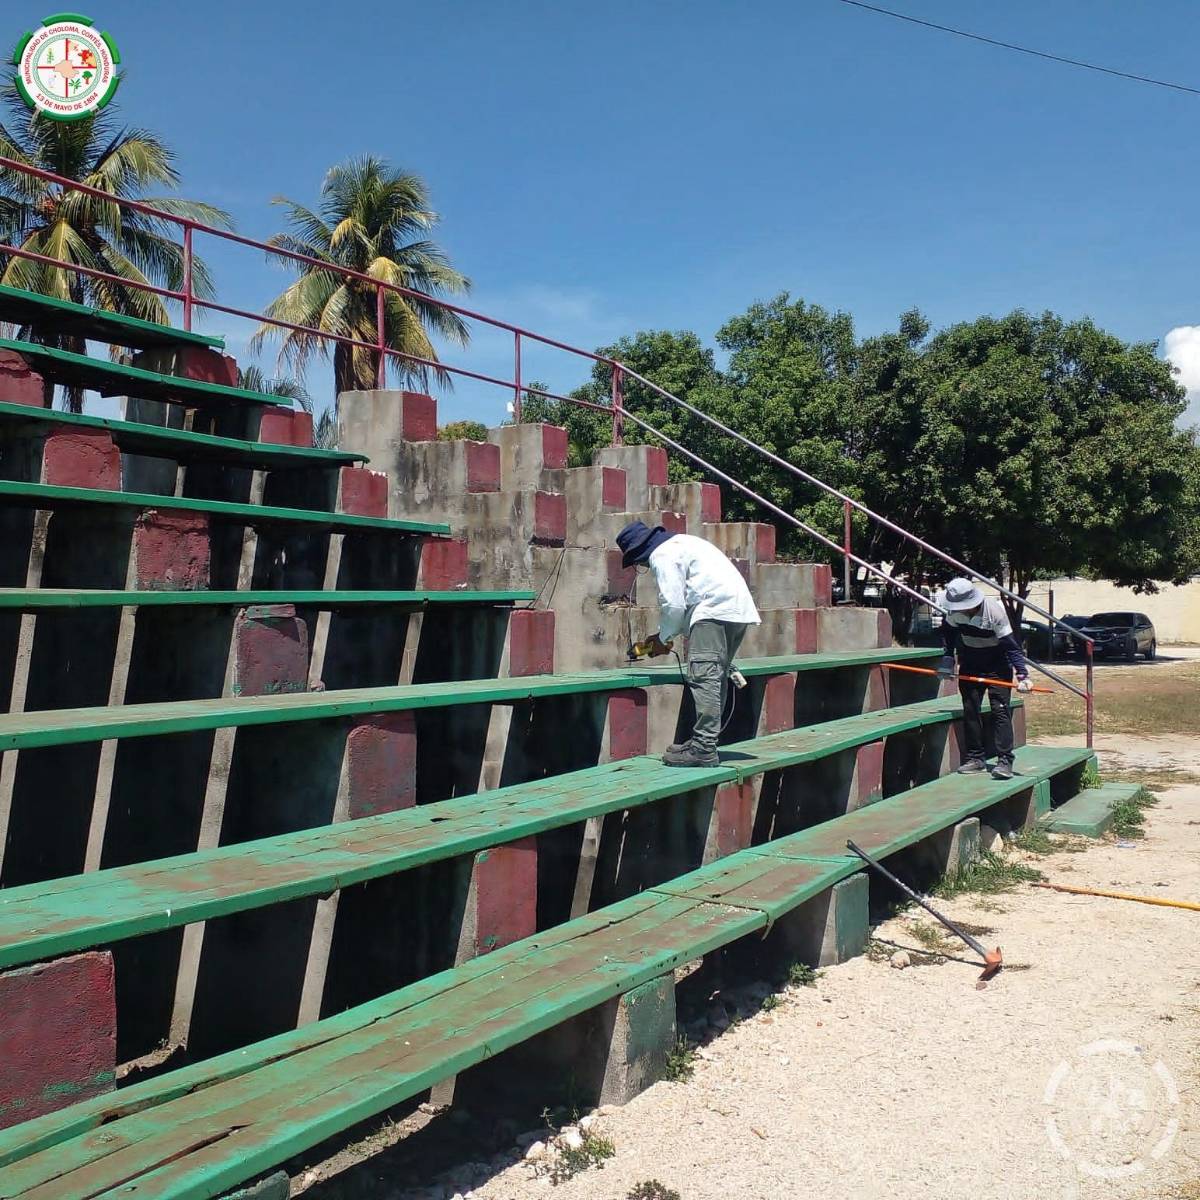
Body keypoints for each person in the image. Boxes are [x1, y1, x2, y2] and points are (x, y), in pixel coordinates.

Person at [615, 520, 761, 767]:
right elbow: (689, 601)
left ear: (640, 554)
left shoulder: (662, 555)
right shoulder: (684, 544)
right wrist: (663, 636)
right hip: (735, 611)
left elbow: (673, 605)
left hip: (714, 612)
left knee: (704, 677)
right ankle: (702, 741)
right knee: (715, 677)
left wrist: (663, 639)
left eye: (638, 563)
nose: (641, 567)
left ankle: (703, 748)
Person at [936, 577, 1033, 780]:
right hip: (971, 664)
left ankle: (1005, 760)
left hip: (997, 666)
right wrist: (947, 658)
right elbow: (949, 634)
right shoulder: (954, 614)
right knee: (971, 710)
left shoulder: (995, 612)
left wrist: (1022, 674)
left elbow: (1011, 647)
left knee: (1000, 712)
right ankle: (976, 758)